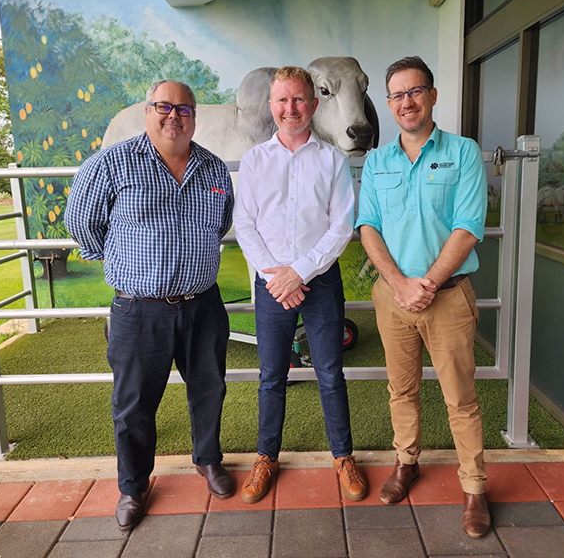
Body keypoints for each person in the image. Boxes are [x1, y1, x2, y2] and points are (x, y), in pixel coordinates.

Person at [65, 80, 235, 531]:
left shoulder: (215, 170)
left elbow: (221, 224)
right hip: (140, 309)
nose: (173, 116)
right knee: (134, 403)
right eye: (164, 107)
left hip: (203, 304)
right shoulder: (111, 164)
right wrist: (131, 266)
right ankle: (133, 485)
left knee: (209, 389)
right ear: (148, 111)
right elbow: (82, 224)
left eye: (184, 109)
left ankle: (208, 460)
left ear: (194, 117)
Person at [356, 56, 490, 537]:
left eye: (415, 91)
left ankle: (474, 487)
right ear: (389, 105)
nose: (406, 102)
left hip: (448, 297)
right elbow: (367, 227)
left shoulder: (463, 152)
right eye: (397, 95)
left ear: (432, 95)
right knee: (401, 389)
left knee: (461, 397)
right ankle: (406, 463)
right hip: (393, 298)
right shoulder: (377, 161)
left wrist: (426, 284)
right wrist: (399, 284)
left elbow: (468, 227)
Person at [233, 66, 368, 504]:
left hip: (320, 283)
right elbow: (245, 225)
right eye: (282, 100)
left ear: (313, 104)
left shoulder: (331, 160)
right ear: (271, 106)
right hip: (273, 285)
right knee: (271, 375)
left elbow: (341, 226)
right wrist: (278, 276)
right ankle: (266, 458)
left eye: (298, 100)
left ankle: (343, 457)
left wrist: (300, 272)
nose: (290, 108)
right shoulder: (254, 161)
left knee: (330, 373)